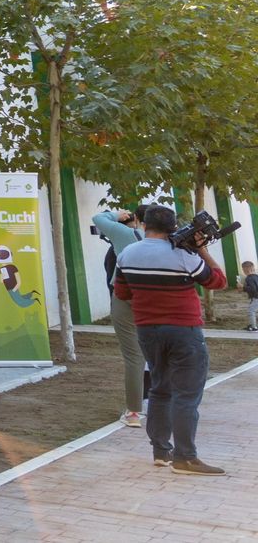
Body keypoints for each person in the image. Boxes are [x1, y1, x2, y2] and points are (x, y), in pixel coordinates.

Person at [113, 204, 227, 476]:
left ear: (143, 224)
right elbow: (218, 281)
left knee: (160, 389)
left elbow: (122, 293)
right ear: (174, 227)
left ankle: (161, 452)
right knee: (186, 394)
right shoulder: (184, 256)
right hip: (184, 331)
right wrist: (201, 249)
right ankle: (185, 458)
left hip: (147, 331)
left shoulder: (127, 254)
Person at [92, 206, 146, 426]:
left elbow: (98, 218)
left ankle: (133, 413)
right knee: (162, 352)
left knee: (134, 356)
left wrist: (117, 215)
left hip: (126, 297)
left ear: (137, 218)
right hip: (158, 299)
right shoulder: (170, 241)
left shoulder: (125, 234)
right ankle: (166, 404)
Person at [243, 260, 258, 331]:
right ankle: (252, 324)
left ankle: (253, 326)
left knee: (251, 311)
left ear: (246, 270)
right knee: (252, 310)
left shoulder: (249, 278)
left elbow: (253, 289)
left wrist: (243, 288)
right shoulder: (256, 276)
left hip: (256, 297)